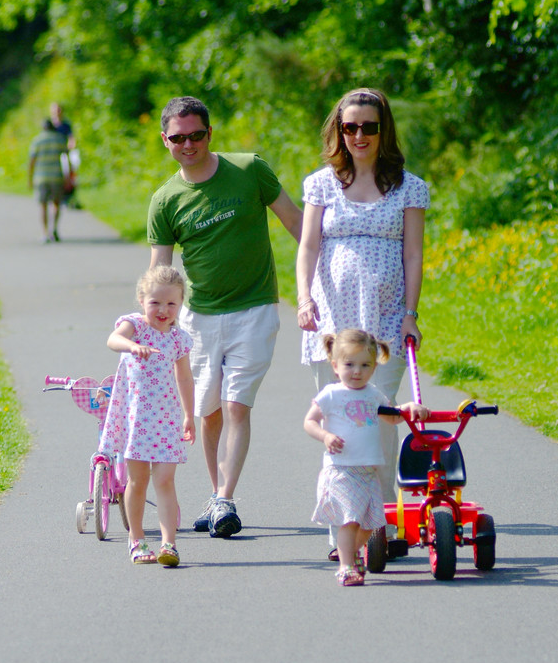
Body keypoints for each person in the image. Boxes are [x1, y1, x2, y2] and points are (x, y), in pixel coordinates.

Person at [148, 96, 302, 538]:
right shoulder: (165, 199)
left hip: (254, 309)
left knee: (236, 405)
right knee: (208, 412)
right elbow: (160, 271)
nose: (188, 144)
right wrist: (152, 321)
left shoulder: (250, 169)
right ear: (166, 141)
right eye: (178, 138)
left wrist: (323, 275)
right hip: (199, 318)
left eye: (197, 135)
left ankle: (225, 496)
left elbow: (295, 222)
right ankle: (219, 499)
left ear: (209, 134)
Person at [294, 87, 429, 560]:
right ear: (339, 131)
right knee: (338, 424)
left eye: (368, 126)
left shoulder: (409, 187)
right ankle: (342, 537)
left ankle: (382, 527)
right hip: (332, 321)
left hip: (386, 320)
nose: (359, 136)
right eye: (349, 127)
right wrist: (303, 297)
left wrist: (411, 314)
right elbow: (308, 247)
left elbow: (412, 252)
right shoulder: (321, 184)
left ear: (382, 130)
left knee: (382, 424)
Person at [302, 329, 429, 586]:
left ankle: (349, 552)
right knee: (349, 521)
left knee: (371, 524)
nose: (357, 371)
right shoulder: (332, 394)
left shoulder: (373, 394)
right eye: (349, 365)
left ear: (374, 367)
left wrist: (408, 409)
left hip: (368, 471)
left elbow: (391, 417)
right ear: (336, 366)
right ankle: (346, 566)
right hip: (341, 469)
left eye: (365, 365)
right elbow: (309, 421)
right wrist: (325, 436)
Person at [98, 265, 196, 566]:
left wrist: (189, 415)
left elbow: (184, 378)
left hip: (165, 419)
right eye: (155, 302)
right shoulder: (135, 326)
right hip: (136, 419)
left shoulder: (178, 339)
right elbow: (113, 340)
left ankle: (169, 544)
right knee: (137, 482)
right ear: (142, 300)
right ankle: (137, 539)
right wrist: (132, 346)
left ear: (180, 305)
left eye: (171, 304)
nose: (163, 310)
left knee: (165, 479)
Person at [27, 118, 68, 242]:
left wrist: (30, 178)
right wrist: (68, 176)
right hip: (56, 176)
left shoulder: (37, 140)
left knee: (43, 206)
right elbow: (66, 159)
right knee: (56, 204)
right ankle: (54, 229)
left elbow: (32, 161)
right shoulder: (60, 139)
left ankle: (45, 233)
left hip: (41, 177)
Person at [50, 103, 80, 207]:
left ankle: (71, 189)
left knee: (73, 164)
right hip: (54, 152)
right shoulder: (51, 125)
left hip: (65, 152)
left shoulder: (66, 125)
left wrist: (71, 145)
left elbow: (71, 138)